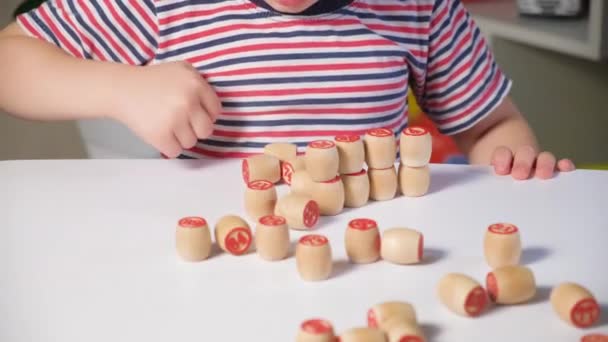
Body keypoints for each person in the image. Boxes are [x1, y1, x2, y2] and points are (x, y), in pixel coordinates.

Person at [0, 0, 574, 179]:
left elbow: (491, 125)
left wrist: (510, 162)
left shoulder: (417, 6)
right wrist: (121, 88)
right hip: (222, 269)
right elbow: (9, 60)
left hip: (379, 267)